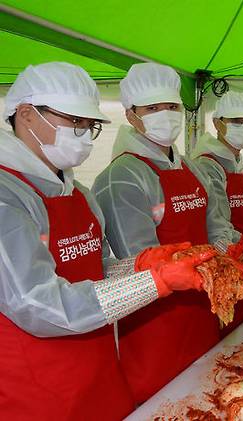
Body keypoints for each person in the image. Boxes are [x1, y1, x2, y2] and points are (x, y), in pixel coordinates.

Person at [0, 62, 215, 420]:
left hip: (98, 373)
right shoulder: (8, 198)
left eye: (90, 125)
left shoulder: (79, 193)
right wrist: (155, 281)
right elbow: (39, 304)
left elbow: (97, 269)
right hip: (39, 389)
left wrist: (144, 263)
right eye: (75, 122)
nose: (84, 134)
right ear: (26, 115)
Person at [92, 63, 236, 403]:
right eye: (152, 108)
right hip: (154, 325)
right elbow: (139, 262)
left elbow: (218, 226)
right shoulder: (122, 177)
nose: (165, 115)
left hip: (203, 309)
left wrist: (225, 257)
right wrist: (203, 267)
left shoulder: (190, 168)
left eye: (171, 106)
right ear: (131, 116)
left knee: (207, 397)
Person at [191, 91, 243, 234]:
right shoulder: (206, 165)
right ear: (217, 123)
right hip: (224, 250)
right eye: (236, 121)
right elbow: (217, 224)